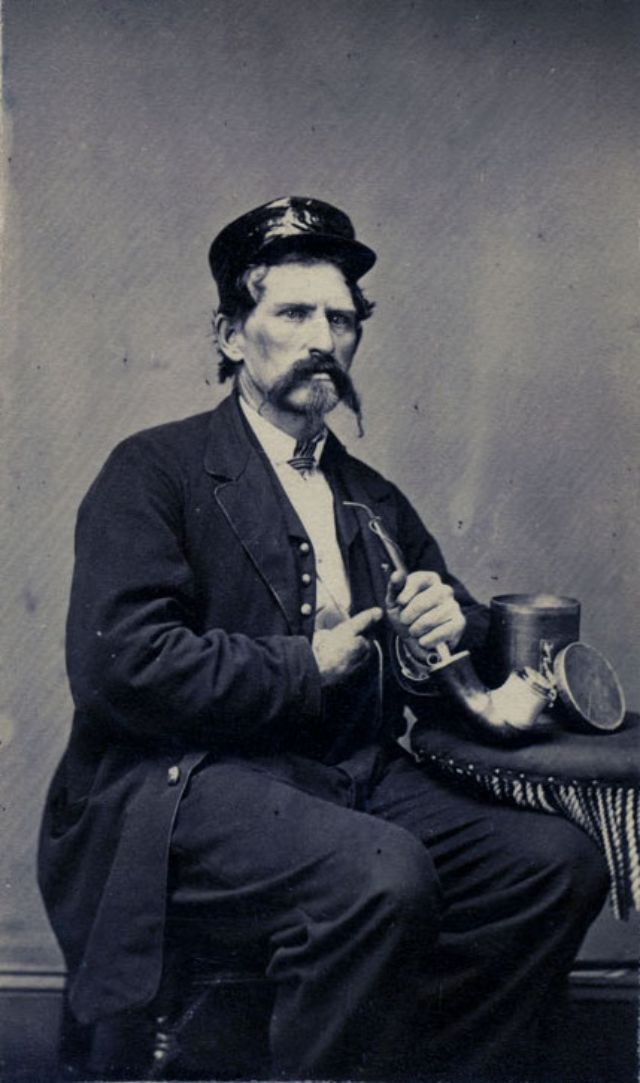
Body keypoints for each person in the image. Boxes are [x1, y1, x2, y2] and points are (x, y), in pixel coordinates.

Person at [39, 197, 609, 1082]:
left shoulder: (370, 495)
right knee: (381, 875)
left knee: (553, 865)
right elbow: (122, 667)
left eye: (341, 319)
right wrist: (305, 664)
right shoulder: (154, 470)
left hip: (349, 774)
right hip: (184, 783)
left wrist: (450, 633)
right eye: (293, 313)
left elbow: (457, 648)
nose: (323, 337)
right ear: (231, 335)